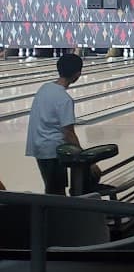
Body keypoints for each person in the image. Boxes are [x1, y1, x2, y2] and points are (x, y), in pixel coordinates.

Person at [25, 54, 89, 195]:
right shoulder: (64, 99)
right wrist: (85, 156)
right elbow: (68, 133)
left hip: (38, 146)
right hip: (52, 150)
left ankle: (51, 215)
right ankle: (55, 216)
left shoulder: (44, 88)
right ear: (78, 74)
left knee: (52, 188)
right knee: (56, 191)